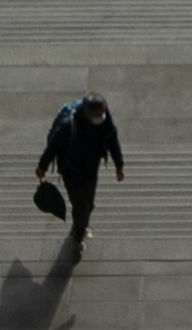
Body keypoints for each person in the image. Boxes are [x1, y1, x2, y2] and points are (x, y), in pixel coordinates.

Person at [36, 87, 125, 263]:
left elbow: (112, 141)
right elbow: (52, 147)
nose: (101, 117)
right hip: (71, 171)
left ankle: (80, 225)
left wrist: (119, 166)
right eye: (97, 114)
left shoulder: (105, 123)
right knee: (80, 205)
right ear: (87, 113)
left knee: (89, 204)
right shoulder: (68, 126)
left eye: (103, 112)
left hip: (91, 170)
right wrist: (42, 167)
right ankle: (78, 234)